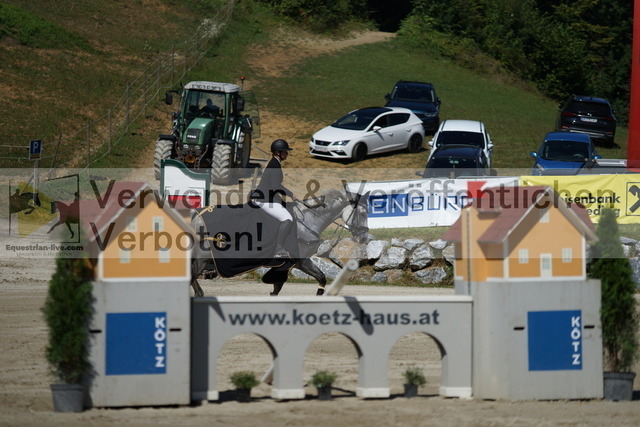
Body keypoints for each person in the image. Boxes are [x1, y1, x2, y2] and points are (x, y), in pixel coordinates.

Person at [250, 139, 298, 257]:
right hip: (263, 200)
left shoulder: (273, 162)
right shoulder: (274, 165)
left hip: (266, 197)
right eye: (285, 152)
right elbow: (275, 186)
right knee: (288, 219)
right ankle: (279, 248)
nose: (287, 154)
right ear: (278, 153)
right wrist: (291, 194)